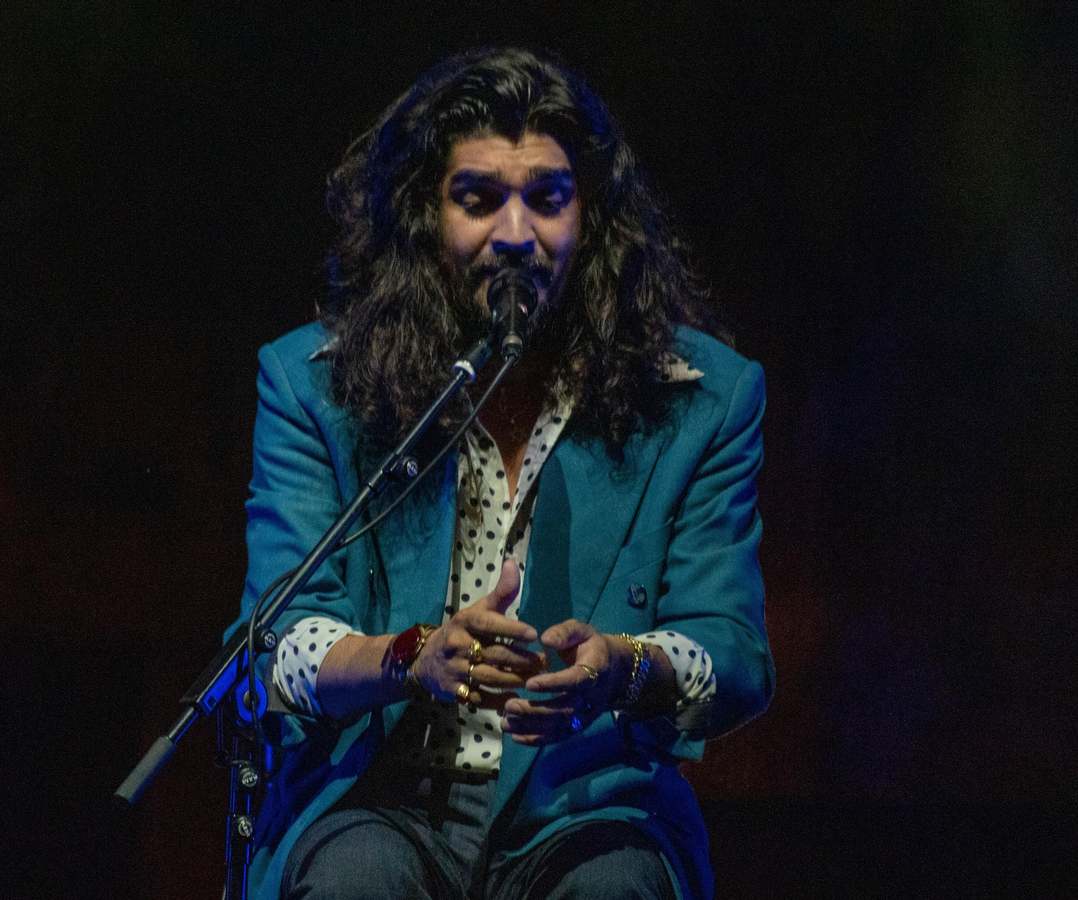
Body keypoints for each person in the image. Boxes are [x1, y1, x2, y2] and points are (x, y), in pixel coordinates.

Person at [233, 48, 773, 900]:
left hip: (590, 808)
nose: (515, 235)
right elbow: (277, 645)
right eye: (478, 200)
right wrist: (407, 657)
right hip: (375, 802)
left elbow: (734, 655)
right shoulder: (316, 385)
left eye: (547, 200)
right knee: (356, 880)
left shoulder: (703, 401)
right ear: (423, 217)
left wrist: (622, 667)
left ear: (590, 219)